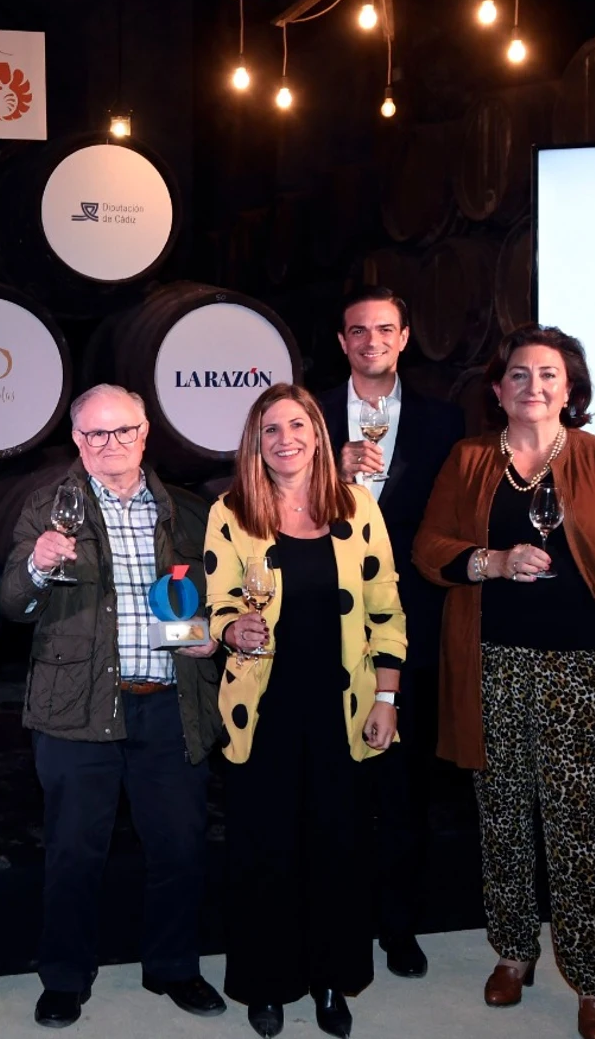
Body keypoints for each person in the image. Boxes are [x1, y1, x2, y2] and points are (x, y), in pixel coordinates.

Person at [412, 326, 595, 1039]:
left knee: (578, 822)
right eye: (519, 375)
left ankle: (593, 977)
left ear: (571, 389)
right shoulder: (468, 460)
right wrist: (488, 561)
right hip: (491, 660)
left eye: (548, 374)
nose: (533, 386)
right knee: (500, 816)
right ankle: (513, 951)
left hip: (585, 665)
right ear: (497, 391)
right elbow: (430, 548)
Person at [0, 384, 227, 1029]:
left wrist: (213, 631)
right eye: (95, 435)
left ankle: (175, 966)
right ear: (76, 440)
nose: (110, 445)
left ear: (145, 433)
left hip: (168, 702)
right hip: (76, 708)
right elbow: (13, 603)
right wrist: (37, 567)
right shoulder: (49, 505)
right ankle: (65, 977)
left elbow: (213, 597)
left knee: (181, 847)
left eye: (122, 432)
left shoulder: (185, 511)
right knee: (73, 852)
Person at [204, 383, 408, 1039]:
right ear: (254, 443)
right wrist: (235, 628)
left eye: (297, 424)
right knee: (264, 851)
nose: (285, 438)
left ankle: (328, 981)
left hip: (340, 711)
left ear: (319, 433)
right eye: (270, 429)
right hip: (261, 713)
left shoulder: (358, 507)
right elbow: (220, 604)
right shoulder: (231, 512)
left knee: (337, 849)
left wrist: (386, 696)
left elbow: (387, 611)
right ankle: (267, 983)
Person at [313, 286, 467, 977]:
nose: (371, 340)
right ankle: (333, 919)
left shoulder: (443, 419)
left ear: (405, 337)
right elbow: (262, 494)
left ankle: (399, 926)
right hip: (318, 615)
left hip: (408, 620)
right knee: (330, 782)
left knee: (404, 784)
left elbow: (452, 518)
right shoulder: (307, 412)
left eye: (384, 329)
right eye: (357, 331)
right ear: (342, 342)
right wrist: (327, 471)